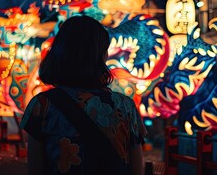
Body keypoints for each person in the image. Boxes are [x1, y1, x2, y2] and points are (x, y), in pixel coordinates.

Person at [21, 15, 146, 175]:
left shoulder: (42, 106)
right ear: (100, 56)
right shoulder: (125, 106)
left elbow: (35, 169)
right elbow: (136, 170)